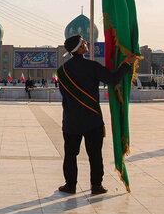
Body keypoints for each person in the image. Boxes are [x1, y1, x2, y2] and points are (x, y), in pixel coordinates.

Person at [57, 35, 137, 195]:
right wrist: (127, 63)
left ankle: (70, 185)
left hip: (71, 121)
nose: (87, 43)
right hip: (92, 120)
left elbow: (64, 97)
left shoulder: (62, 71)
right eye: (84, 43)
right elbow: (113, 79)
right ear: (79, 48)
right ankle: (96, 186)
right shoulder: (92, 66)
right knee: (95, 155)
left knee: (70, 155)